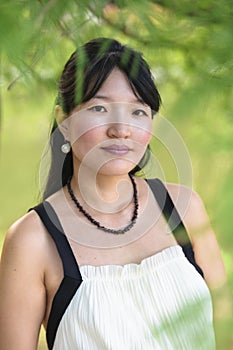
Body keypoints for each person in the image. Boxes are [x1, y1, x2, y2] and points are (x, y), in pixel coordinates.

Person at [0, 38, 226, 350]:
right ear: (64, 121)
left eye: (137, 111)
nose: (121, 129)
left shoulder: (184, 208)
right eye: (100, 108)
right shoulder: (33, 239)